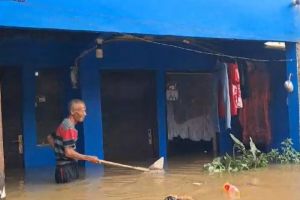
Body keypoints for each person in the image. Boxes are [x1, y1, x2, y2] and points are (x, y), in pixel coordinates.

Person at [48, 99, 100, 184]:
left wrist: (59, 151)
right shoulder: (69, 127)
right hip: (65, 169)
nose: (85, 114)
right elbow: (68, 152)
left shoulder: (65, 123)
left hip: (67, 167)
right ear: (72, 112)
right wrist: (89, 158)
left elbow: (50, 138)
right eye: (83, 111)